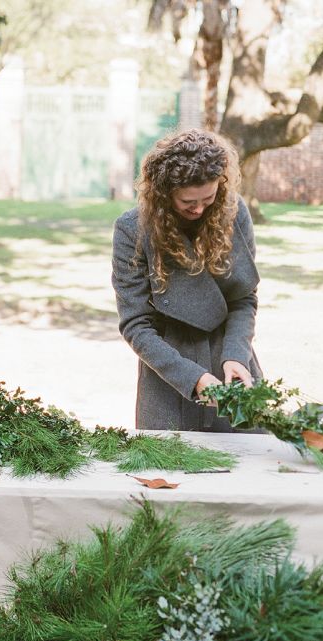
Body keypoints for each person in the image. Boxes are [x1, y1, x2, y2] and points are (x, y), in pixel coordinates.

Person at [112, 129, 262, 431]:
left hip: (230, 360)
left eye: (208, 198)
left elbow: (243, 299)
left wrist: (235, 356)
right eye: (188, 202)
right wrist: (191, 378)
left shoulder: (234, 212)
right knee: (170, 468)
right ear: (164, 194)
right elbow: (136, 325)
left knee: (249, 466)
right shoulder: (133, 229)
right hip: (169, 368)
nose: (199, 209)